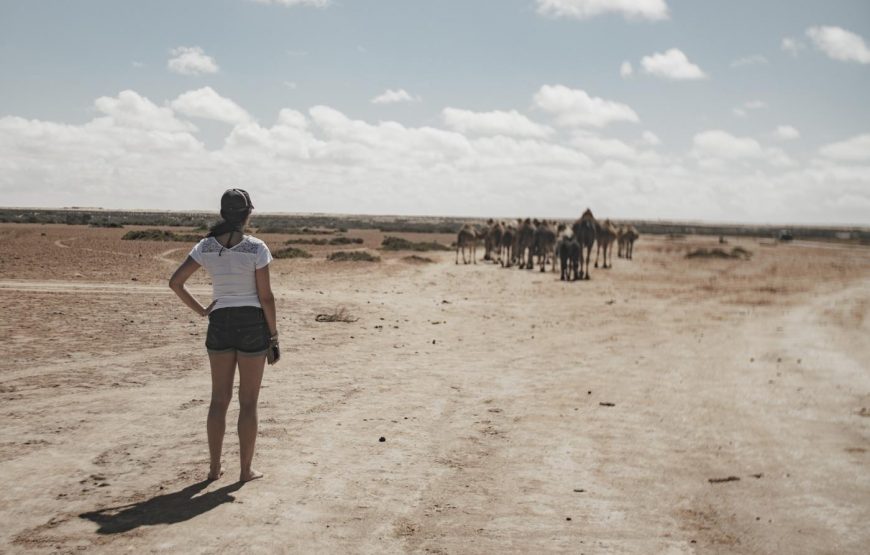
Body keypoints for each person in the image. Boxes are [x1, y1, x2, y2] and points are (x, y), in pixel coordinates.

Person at [169, 188, 278, 482]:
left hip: (219, 321)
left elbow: (176, 282)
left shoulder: (205, 246)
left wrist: (203, 310)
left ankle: (214, 468)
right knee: (249, 401)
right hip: (252, 322)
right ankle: (245, 470)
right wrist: (274, 336)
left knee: (219, 399)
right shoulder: (256, 248)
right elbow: (266, 297)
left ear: (222, 213)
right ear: (247, 214)